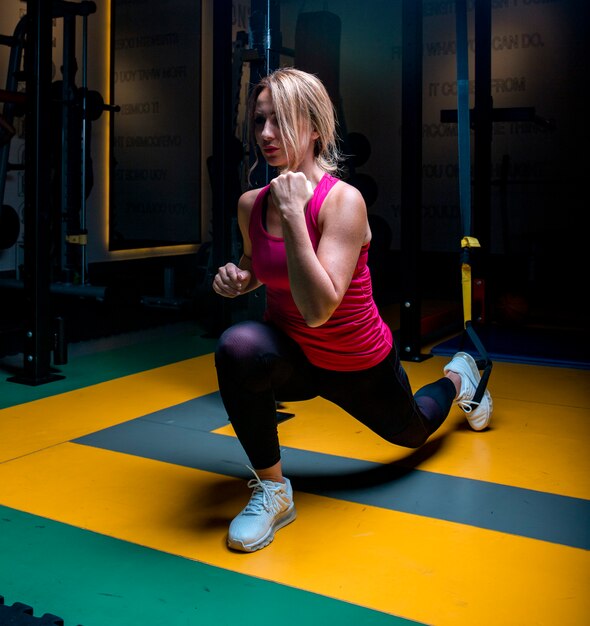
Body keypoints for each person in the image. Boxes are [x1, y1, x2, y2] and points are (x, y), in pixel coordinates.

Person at [212, 67, 492, 553]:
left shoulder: (343, 203)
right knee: (238, 347)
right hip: (294, 357)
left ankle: (459, 378)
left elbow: (319, 308)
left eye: (281, 121)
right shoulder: (250, 205)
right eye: (259, 121)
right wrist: (240, 280)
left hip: (357, 362)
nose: (265, 134)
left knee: (414, 434)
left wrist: (297, 214)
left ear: (316, 127)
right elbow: (258, 262)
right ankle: (275, 491)